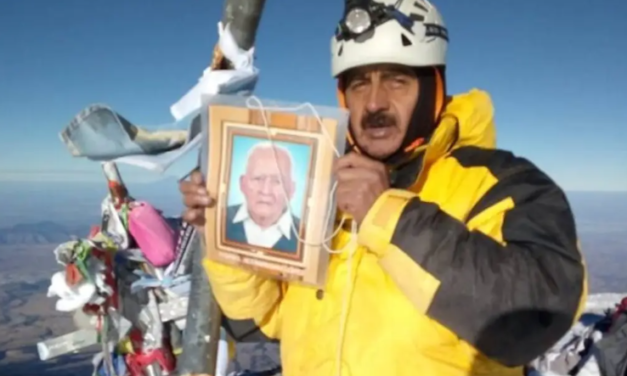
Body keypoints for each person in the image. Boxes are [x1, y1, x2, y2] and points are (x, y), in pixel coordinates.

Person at [180, 1, 587, 375]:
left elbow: (533, 319)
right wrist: (229, 235)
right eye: (358, 84)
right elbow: (262, 323)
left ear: (432, 89)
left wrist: (389, 216)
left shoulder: (501, 184)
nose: (374, 103)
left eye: (396, 80)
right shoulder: (321, 186)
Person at [225, 142, 300, 253]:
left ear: (292, 190)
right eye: (258, 178)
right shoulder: (217, 219)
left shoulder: (308, 237)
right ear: (242, 183)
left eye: (277, 181)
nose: (265, 191)